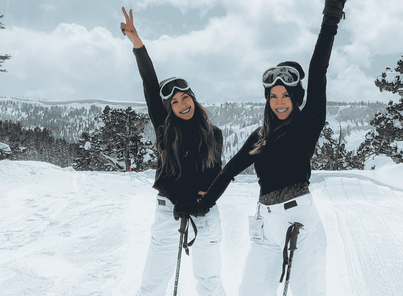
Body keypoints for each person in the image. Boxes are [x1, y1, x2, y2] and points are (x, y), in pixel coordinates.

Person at [175, 0, 347, 295]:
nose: (279, 102)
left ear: (296, 97)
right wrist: (202, 206)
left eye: (285, 95)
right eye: (273, 96)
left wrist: (330, 17)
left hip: (300, 222)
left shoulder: (308, 123)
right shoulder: (260, 136)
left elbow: (318, 68)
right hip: (266, 226)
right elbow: (229, 171)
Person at [120, 7, 226, 296]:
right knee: (152, 286)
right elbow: (150, 85)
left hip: (205, 215)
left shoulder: (213, 133)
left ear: (192, 97)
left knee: (210, 283)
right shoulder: (164, 130)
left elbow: (218, 173)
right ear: (168, 109)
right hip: (168, 214)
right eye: (175, 102)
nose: (182, 104)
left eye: (185, 97)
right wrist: (137, 44)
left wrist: (204, 199)